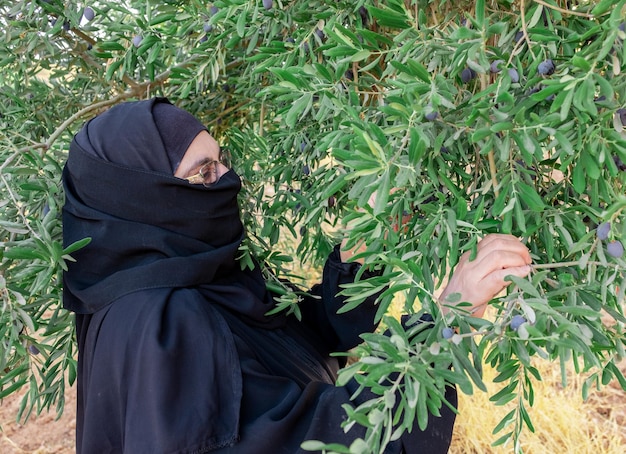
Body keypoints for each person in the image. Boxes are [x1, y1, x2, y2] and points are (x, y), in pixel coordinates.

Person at [62, 97, 531, 454]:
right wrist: (443, 325)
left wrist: (358, 261)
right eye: (204, 173)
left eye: (221, 160)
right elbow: (317, 441)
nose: (228, 180)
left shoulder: (190, 274)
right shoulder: (157, 326)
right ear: (145, 196)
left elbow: (286, 347)